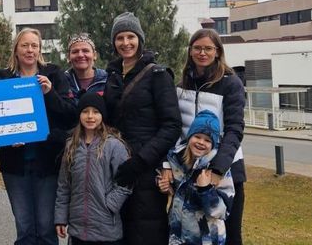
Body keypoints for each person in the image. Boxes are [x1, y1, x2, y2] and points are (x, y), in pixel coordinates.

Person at [103, 12, 182, 245]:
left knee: (146, 231)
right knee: (120, 231)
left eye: (131, 37)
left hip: (146, 167)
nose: (125, 43)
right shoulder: (112, 75)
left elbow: (171, 125)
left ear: (140, 39)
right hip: (116, 164)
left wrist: (140, 161)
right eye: (120, 38)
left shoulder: (158, 75)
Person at [0, 27, 77, 245]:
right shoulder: (2, 77)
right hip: (15, 165)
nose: (29, 50)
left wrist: (50, 93)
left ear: (40, 49)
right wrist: (7, 137)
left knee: (46, 227)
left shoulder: (54, 75)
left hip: (47, 163)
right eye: (25, 45)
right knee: (24, 228)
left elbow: (70, 115)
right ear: (16, 49)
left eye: (34, 45)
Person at [175, 28, 246, 245]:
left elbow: (235, 128)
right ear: (190, 51)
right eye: (197, 48)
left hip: (225, 169)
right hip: (189, 168)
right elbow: (176, 128)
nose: (202, 53)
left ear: (217, 51)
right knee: (191, 232)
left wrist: (217, 169)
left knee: (229, 233)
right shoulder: (182, 85)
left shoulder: (230, 83)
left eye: (208, 48)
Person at [55, 92, 132, 245]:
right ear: (79, 115)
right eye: (85, 111)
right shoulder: (71, 145)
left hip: (106, 230)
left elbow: (126, 180)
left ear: (102, 115)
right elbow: (64, 185)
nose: (90, 116)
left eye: (96, 112)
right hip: (78, 230)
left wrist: (110, 205)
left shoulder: (114, 145)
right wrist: (61, 218)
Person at [157, 110, 234, 245]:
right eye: (197, 136)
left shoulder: (218, 170)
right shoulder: (176, 158)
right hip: (177, 234)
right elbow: (171, 183)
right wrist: (164, 184)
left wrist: (206, 190)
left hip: (206, 239)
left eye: (207, 140)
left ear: (213, 144)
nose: (201, 142)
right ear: (189, 136)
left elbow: (222, 212)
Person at [64, 33, 109, 100]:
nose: (80, 55)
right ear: (68, 57)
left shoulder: (107, 80)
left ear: (94, 55)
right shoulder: (62, 81)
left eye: (85, 51)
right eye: (75, 52)